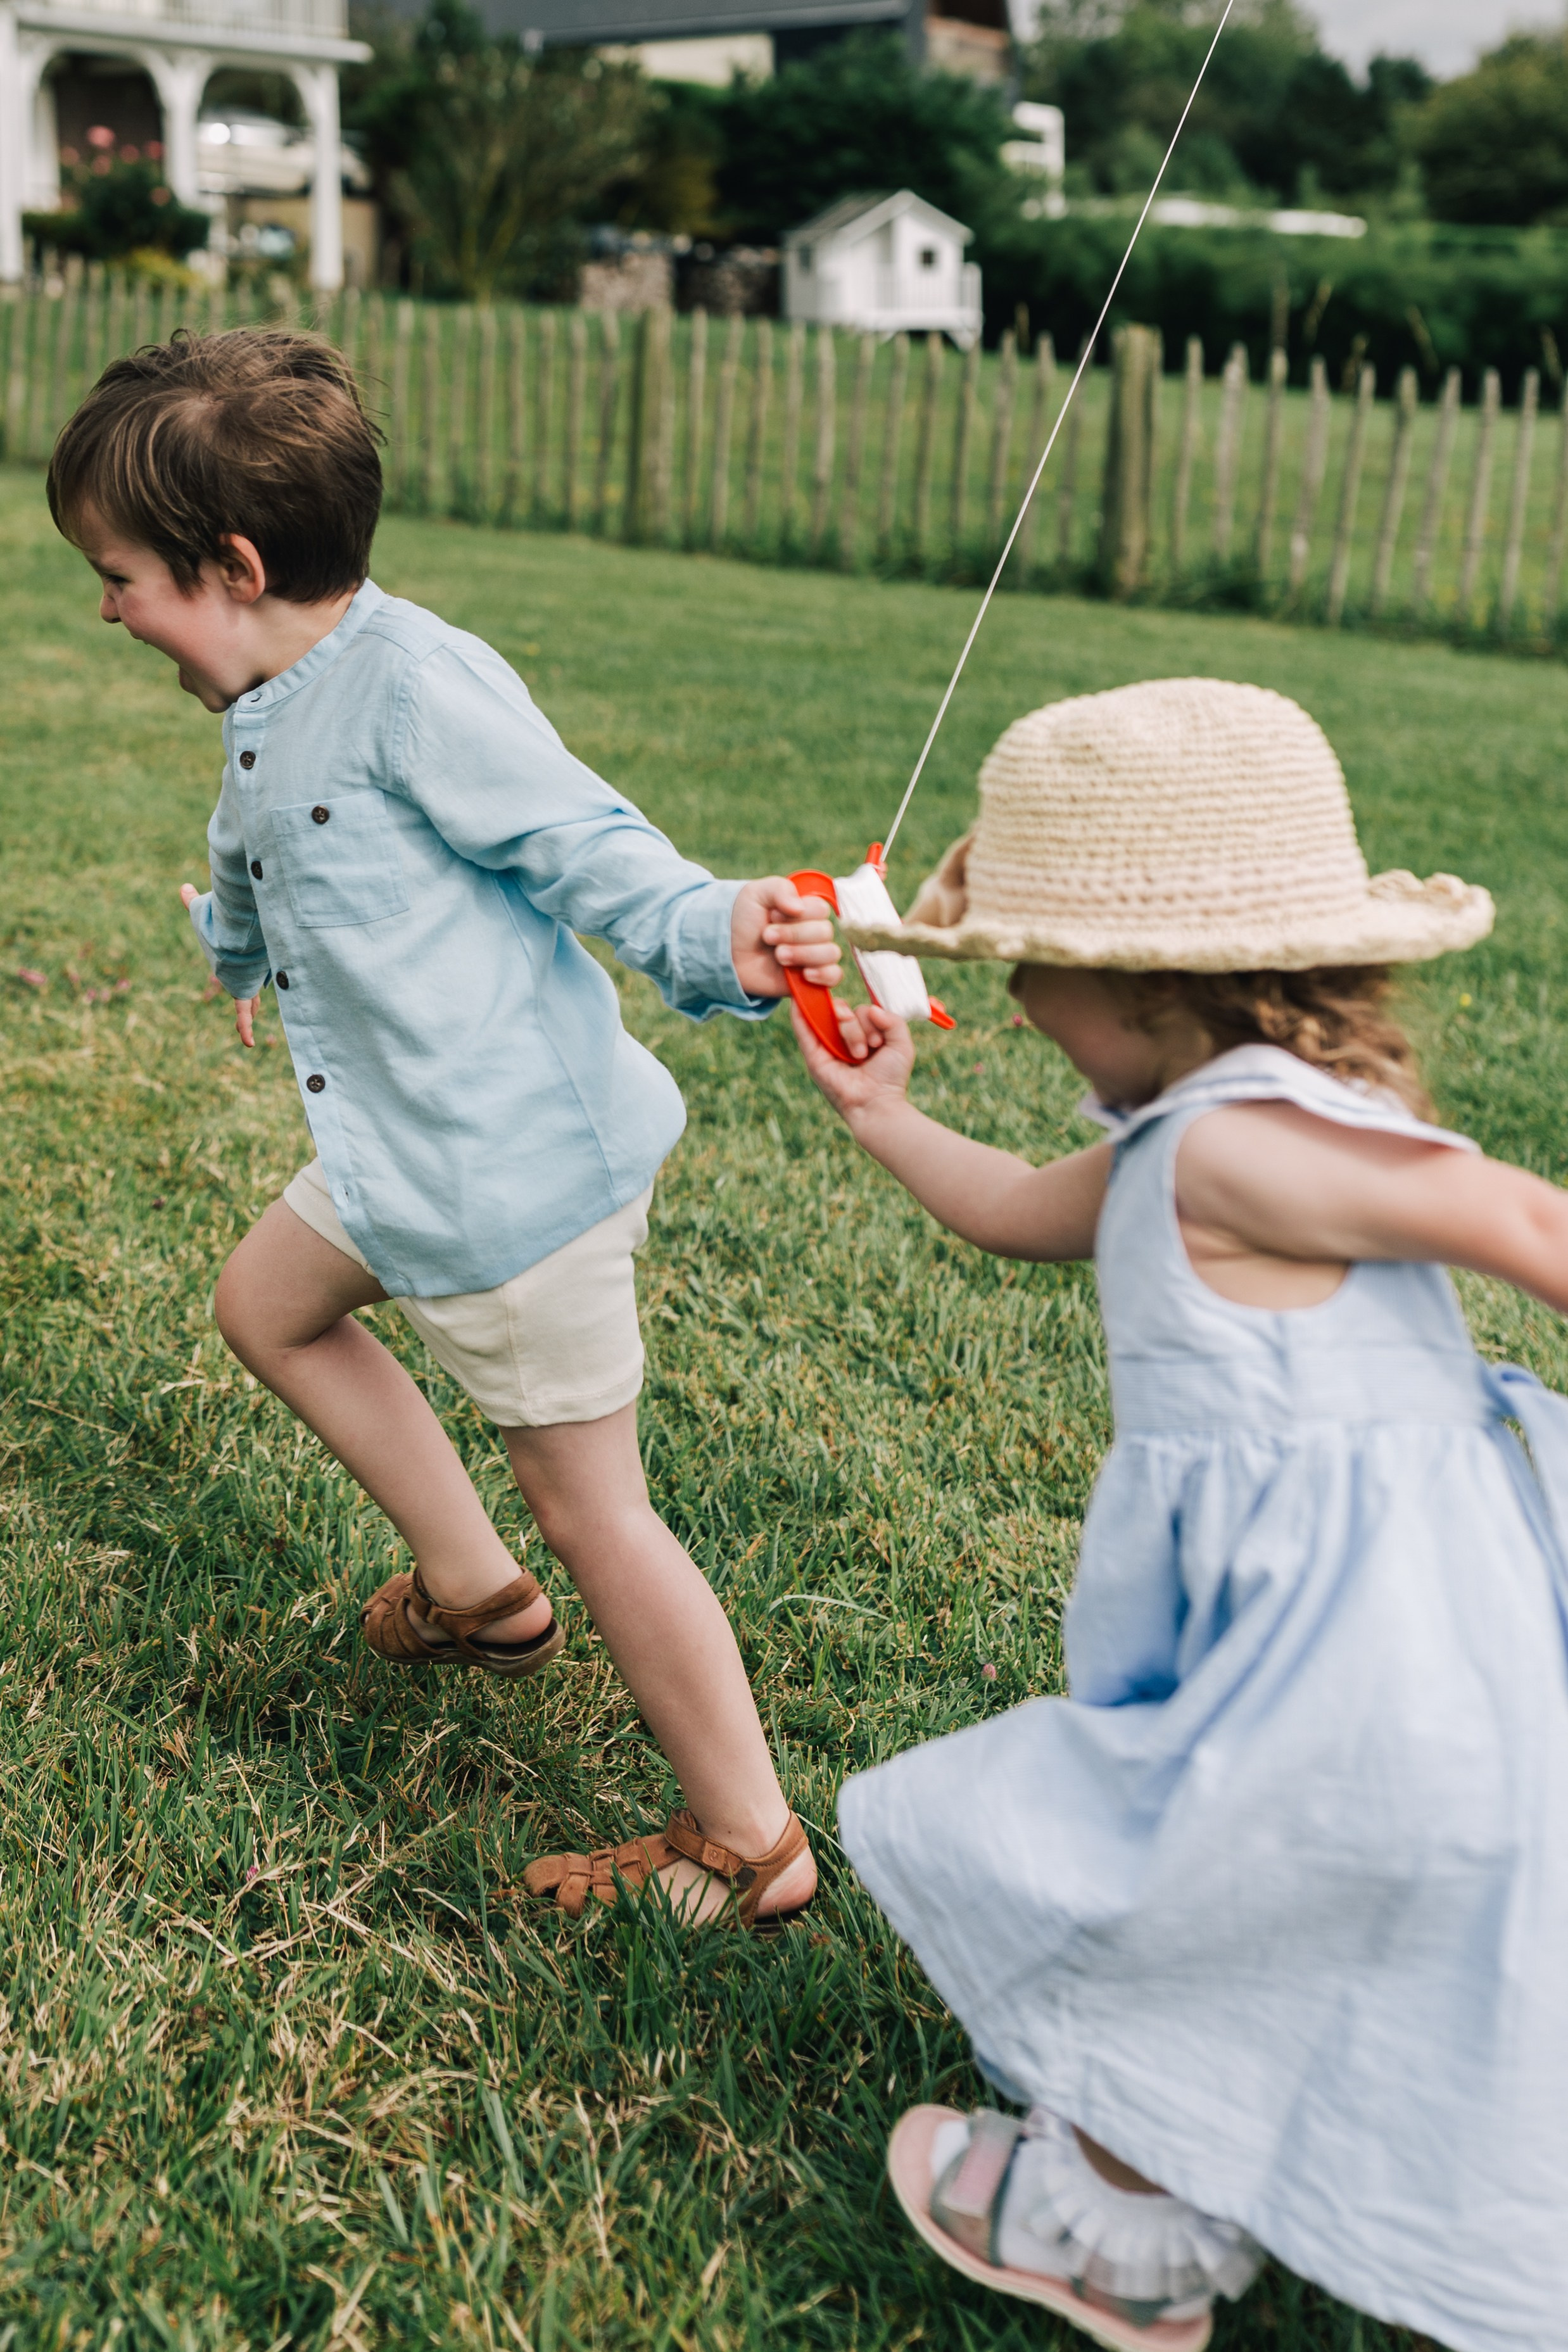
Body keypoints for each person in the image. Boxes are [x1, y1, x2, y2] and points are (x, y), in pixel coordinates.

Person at [792, 676, 1568, 2352]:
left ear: (1144, 980)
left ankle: (1115, 2240)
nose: (1010, 1002)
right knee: (1257, 1893)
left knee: (1191, 1882)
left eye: (1027, 965)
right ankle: (1189, 2178)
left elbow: (1524, 1223)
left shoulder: (1236, 1151)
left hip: (1363, 1649)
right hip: (1320, 1618)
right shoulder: (1193, 1137)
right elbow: (1016, 1207)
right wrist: (880, 1112)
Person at [47, 327, 830, 1930]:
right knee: (266, 1305)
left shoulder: (415, 686)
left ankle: (749, 1841)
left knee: (595, 1506)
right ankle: (478, 1595)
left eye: (119, 577)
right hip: (399, 1154)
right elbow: (254, 839)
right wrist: (236, 953)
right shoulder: (271, 691)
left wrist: (715, 926)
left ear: (233, 567)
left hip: (503, 1185)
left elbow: (586, 843)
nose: (106, 610)